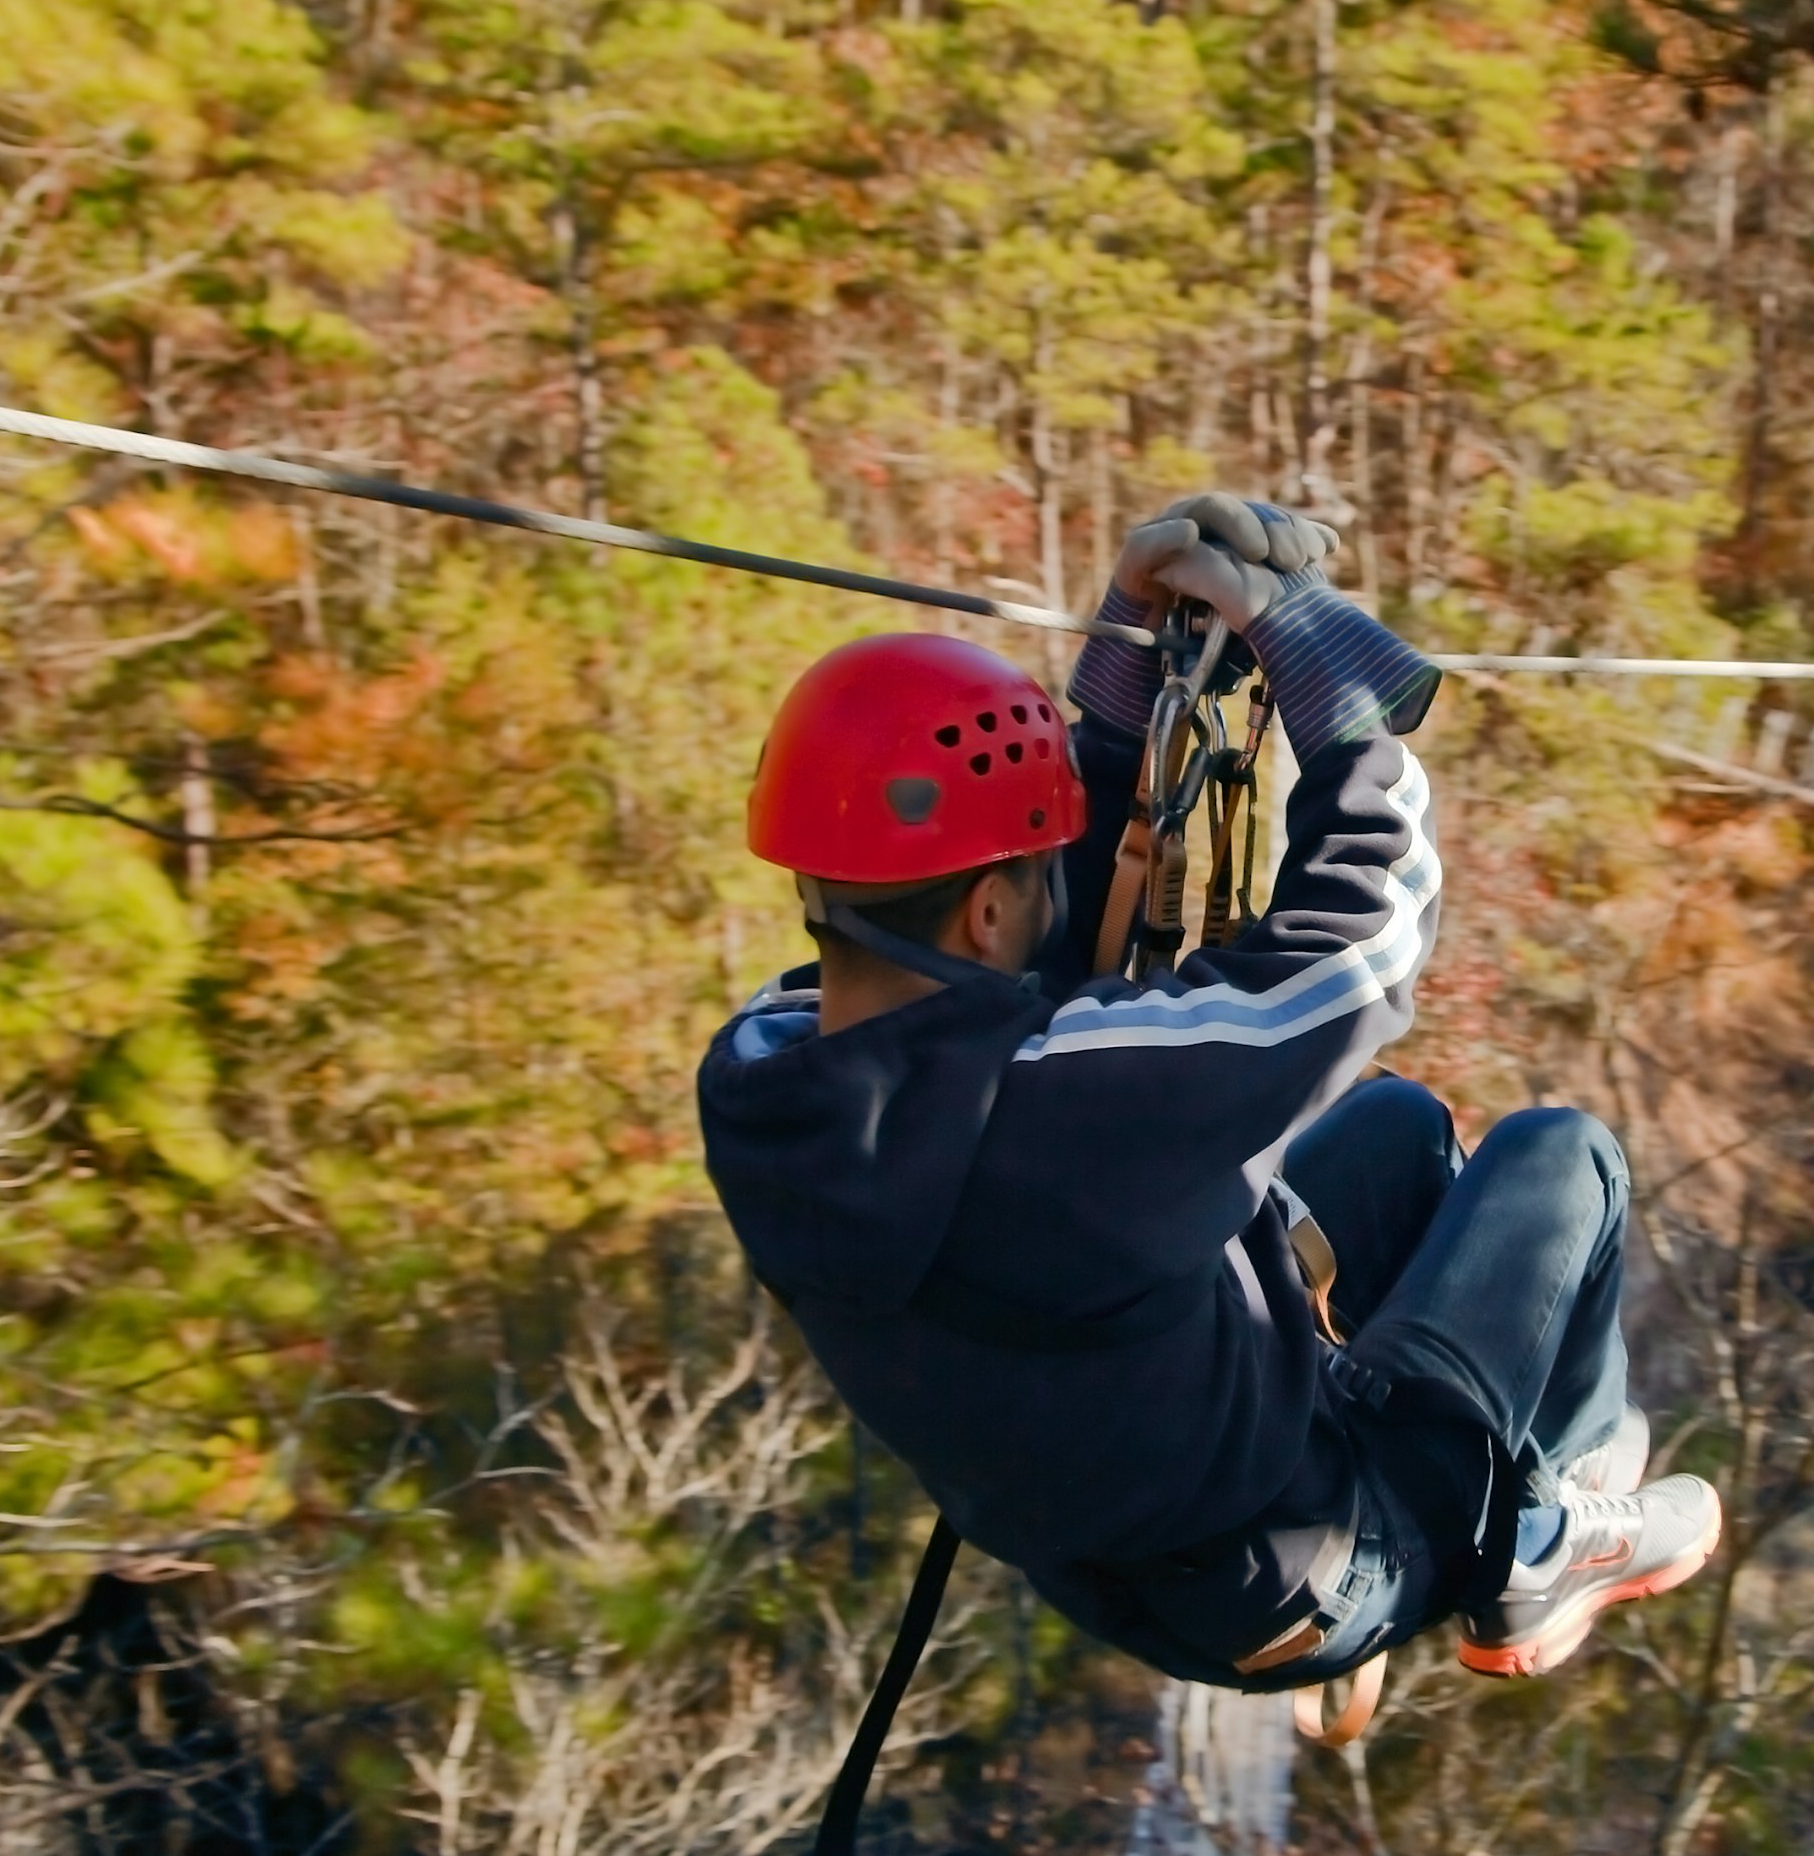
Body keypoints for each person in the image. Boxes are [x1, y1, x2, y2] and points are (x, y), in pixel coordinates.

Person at [695, 496, 1719, 1705]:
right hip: (1311, 1559)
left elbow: (1010, 958)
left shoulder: (763, 1075)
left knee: (1392, 1135)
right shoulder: (1061, 1121)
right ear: (984, 909)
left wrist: (1136, 664)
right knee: (1564, 1161)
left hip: (1127, 1535)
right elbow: (1357, 949)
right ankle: (1528, 1541)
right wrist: (1339, 691)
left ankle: (1469, 1487)